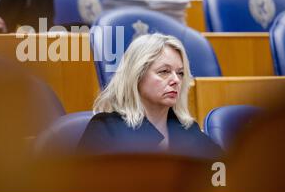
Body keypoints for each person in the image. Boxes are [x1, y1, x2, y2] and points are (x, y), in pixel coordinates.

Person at [78, 33, 222, 159]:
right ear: (136, 76)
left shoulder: (188, 130)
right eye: (164, 71)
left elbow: (224, 173)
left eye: (180, 73)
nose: (176, 80)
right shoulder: (105, 129)